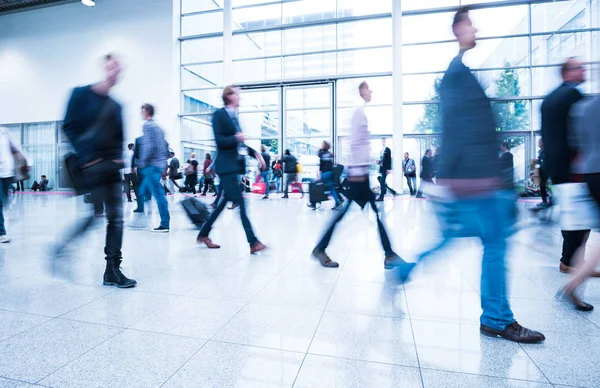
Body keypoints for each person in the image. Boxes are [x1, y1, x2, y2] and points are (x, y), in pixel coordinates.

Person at [395, 8, 544, 343]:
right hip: (475, 179)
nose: (475, 28)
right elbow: (456, 129)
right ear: (458, 29)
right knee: (494, 244)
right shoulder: (456, 75)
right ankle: (496, 318)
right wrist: (464, 178)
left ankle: (406, 271)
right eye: (470, 23)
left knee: (457, 240)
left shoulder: (460, 72)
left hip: (472, 178)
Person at [59, 54, 136, 288]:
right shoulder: (81, 94)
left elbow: (120, 138)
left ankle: (112, 270)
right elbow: (69, 126)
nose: (115, 72)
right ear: (104, 67)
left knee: (116, 219)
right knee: (95, 217)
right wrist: (87, 157)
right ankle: (62, 249)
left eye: (119, 69)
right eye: (112, 67)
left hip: (111, 169)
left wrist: (119, 159)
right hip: (91, 167)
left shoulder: (117, 105)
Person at [311, 81, 403, 269]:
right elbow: (354, 144)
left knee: (371, 214)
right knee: (353, 214)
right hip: (358, 174)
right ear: (362, 91)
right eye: (369, 88)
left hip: (360, 173)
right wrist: (357, 172)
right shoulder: (358, 114)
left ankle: (389, 254)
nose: (371, 91)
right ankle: (321, 249)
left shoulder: (360, 113)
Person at [541, 57, 598, 276]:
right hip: (574, 165)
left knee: (573, 214)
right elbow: (582, 131)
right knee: (582, 215)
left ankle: (572, 261)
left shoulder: (549, 99)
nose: (583, 70)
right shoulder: (573, 97)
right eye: (578, 67)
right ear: (566, 73)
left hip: (556, 166)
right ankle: (573, 262)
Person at [196, 85, 267, 254]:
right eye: (237, 93)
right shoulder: (219, 115)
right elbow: (220, 141)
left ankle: (203, 234)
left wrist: (256, 154)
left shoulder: (234, 117)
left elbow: (240, 143)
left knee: (221, 205)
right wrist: (235, 137)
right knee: (241, 204)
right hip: (225, 167)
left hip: (233, 167)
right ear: (229, 96)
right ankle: (253, 242)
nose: (240, 96)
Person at [558, 94, 600, 311]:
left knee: (590, 237)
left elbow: (575, 141)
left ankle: (574, 280)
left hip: (590, 172)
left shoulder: (583, 107)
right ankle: (573, 282)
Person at [135, 103, 171, 233]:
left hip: (150, 165)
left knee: (158, 194)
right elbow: (164, 147)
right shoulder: (159, 128)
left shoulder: (147, 126)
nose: (141, 113)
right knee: (144, 190)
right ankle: (140, 218)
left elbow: (149, 147)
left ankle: (165, 224)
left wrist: (142, 162)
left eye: (142, 111)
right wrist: (163, 164)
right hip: (157, 165)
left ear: (147, 112)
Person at [0, 127, 21, 243]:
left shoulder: (4, 132)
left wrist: (26, 161)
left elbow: (16, 147)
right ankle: (2, 233)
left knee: (3, 202)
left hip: (6, 172)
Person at [308, 141, 343, 210]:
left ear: (324, 146)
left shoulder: (322, 153)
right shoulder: (329, 153)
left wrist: (320, 175)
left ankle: (314, 203)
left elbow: (321, 164)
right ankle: (339, 200)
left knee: (315, 186)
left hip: (325, 173)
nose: (321, 145)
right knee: (331, 187)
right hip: (330, 172)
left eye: (322, 144)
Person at [536, 139, 550, 207]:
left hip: (545, 172)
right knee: (542, 186)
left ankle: (545, 201)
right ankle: (544, 201)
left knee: (543, 186)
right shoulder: (540, 152)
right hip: (541, 172)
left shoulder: (545, 151)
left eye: (539, 142)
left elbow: (544, 163)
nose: (538, 144)